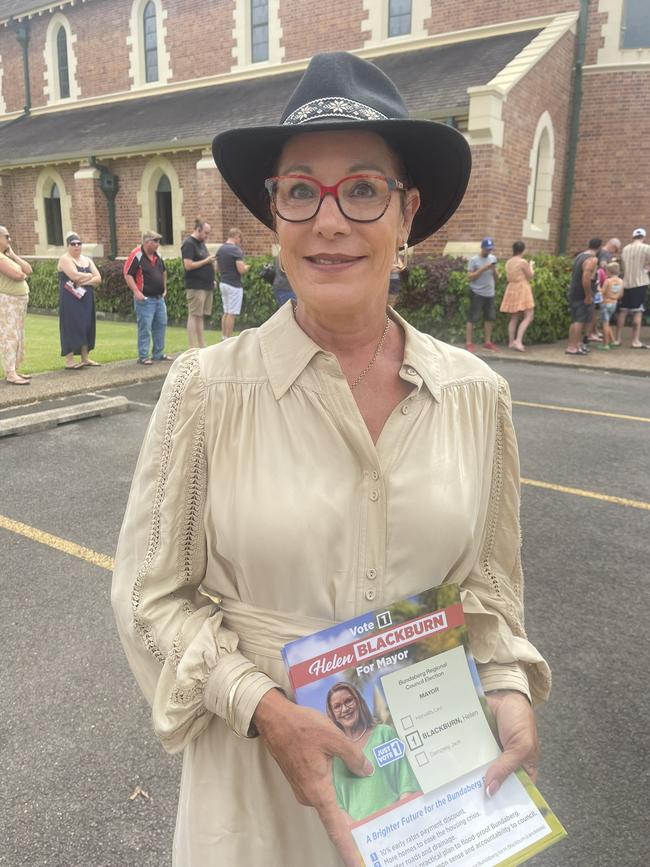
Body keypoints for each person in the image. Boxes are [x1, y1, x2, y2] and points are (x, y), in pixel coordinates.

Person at [112, 51, 550, 867]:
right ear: (275, 215)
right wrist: (261, 705)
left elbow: (490, 590)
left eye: (362, 188)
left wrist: (509, 682)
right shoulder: (207, 389)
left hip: (427, 793)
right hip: (254, 789)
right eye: (300, 190)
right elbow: (147, 596)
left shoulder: (475, 395)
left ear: (407, 211)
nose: (330, 219)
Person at [326, 683, 420, 822]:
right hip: (363, 836)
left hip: (400, 822)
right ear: (332, 714)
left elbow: (407, 784)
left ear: (358, 702)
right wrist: (362, 834)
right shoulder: (333, 756)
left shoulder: (385, 734)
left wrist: (401, 822)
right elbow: (338, 808)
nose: (345, 709)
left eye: (348, 701)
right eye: (337, 706)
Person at [124, 230, 171, 365]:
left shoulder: (158, 255)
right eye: (155, 241)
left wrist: (164, 287)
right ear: (146, 242)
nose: (158, 244)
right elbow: (128, 274)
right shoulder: (137, 255)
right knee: (145, 327)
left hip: (158, 298)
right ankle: (143, 356)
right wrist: (136, 291)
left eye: (158, 241)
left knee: (161, 324)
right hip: (145, 299)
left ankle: (158, 353)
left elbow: (163, 271)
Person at [57, 233, 101, 369]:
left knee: (86, 325)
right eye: (73, 244)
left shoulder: (87, 260)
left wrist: (85, 281)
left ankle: (85, 358)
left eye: (79, 243)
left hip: (86, 297)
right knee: (71, 325)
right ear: (68, 246)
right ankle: (69, 361)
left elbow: (98, 278)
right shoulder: (65, 259)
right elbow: (74, 276)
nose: (76, 246)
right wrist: (89, 276)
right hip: (70, 298)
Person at [0, 225, 32, 385]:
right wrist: (21, 274)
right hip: (8, 301)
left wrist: (12, 255)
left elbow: (28, 270)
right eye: (7, 236)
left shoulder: (5, 256)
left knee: (19, 335)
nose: (9, 239)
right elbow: (17, 275)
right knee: (10, 335)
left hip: (18, 301)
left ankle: (15, 369)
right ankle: (10, 372)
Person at [614, 228, 650, 349]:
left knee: (623, 311)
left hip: (626, 283)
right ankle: (635, 341)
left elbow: (623, 266)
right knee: (638, 311)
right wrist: (645, 270)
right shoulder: (647, 248)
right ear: (643, 237)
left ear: (633, 237)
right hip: (640, 282)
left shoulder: (625, 249)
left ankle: (617, 339)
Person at [182, 219, 215, 349]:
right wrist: (207, 261)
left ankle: (201, 345)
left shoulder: (201, 243)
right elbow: (188, 265)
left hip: (206, 285)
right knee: (194, 314)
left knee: (200, 315)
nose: (207, 236)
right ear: (198, 229)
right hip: (195, 286)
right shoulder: (189, 243)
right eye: (206, 233)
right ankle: (192, 346)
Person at [565, 238, 601, 356]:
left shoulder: (579, 256)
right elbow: (586, 278)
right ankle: (573, 347)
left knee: (574, 320)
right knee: (580, 321)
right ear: (599, 247)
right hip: (582, 293)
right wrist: (588, 295)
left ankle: (573, 344)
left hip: (574, 291)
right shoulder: (592, 259)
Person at [500, 241, 535, 352]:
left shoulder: (508, 262)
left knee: (514, 317)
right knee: (529, 315)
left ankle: (511, 342)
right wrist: (531, 266)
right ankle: (518, 341)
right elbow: (530, 275)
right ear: (523, 250)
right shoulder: (522, 262)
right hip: (522, 288)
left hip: (511, 288)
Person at [466, 237, 498, 352]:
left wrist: (494, 269)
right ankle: (469, 343)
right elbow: (469, 277)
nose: (489, 251)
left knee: (489, 318)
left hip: (490, 293)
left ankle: (487, 342)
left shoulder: (493, 258)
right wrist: (483, 269)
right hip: (477, 293)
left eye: (490, 249)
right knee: (472, 318)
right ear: (482, 248)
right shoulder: (474, 260)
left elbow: (497, 278)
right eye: (487, 249)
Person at [587, 237, 621, 343]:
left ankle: (594, 331)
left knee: (595, 310)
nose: (614, 253)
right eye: (615, 250)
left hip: (597, 284)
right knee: (595, 310)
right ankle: (592, 333)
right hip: (600, 286)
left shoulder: (600, 252)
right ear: (613, 246)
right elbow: (603, 266)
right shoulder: (606, 254)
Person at [216, 228, 249, 339]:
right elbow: (241, 269)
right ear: (236, 236)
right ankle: (228, 338)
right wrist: (247, 267)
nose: (240, 241)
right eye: (240, 238)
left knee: (226, 311)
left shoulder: (220, 249)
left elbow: (216, 268)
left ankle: (223, 336)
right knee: (232, 313)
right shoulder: (235, 250)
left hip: (223, 283)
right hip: (234, 285)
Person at [598, 261, 623, 350]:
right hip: (614, 303)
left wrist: (598, 288)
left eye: (606, 271)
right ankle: (613, 341)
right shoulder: (620, 281)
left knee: (604, 324)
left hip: (605, 303)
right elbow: (621, 294)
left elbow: (602, 292)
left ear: (610, 272)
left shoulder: (608, 281)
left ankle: (605, 344)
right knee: (607, 323)